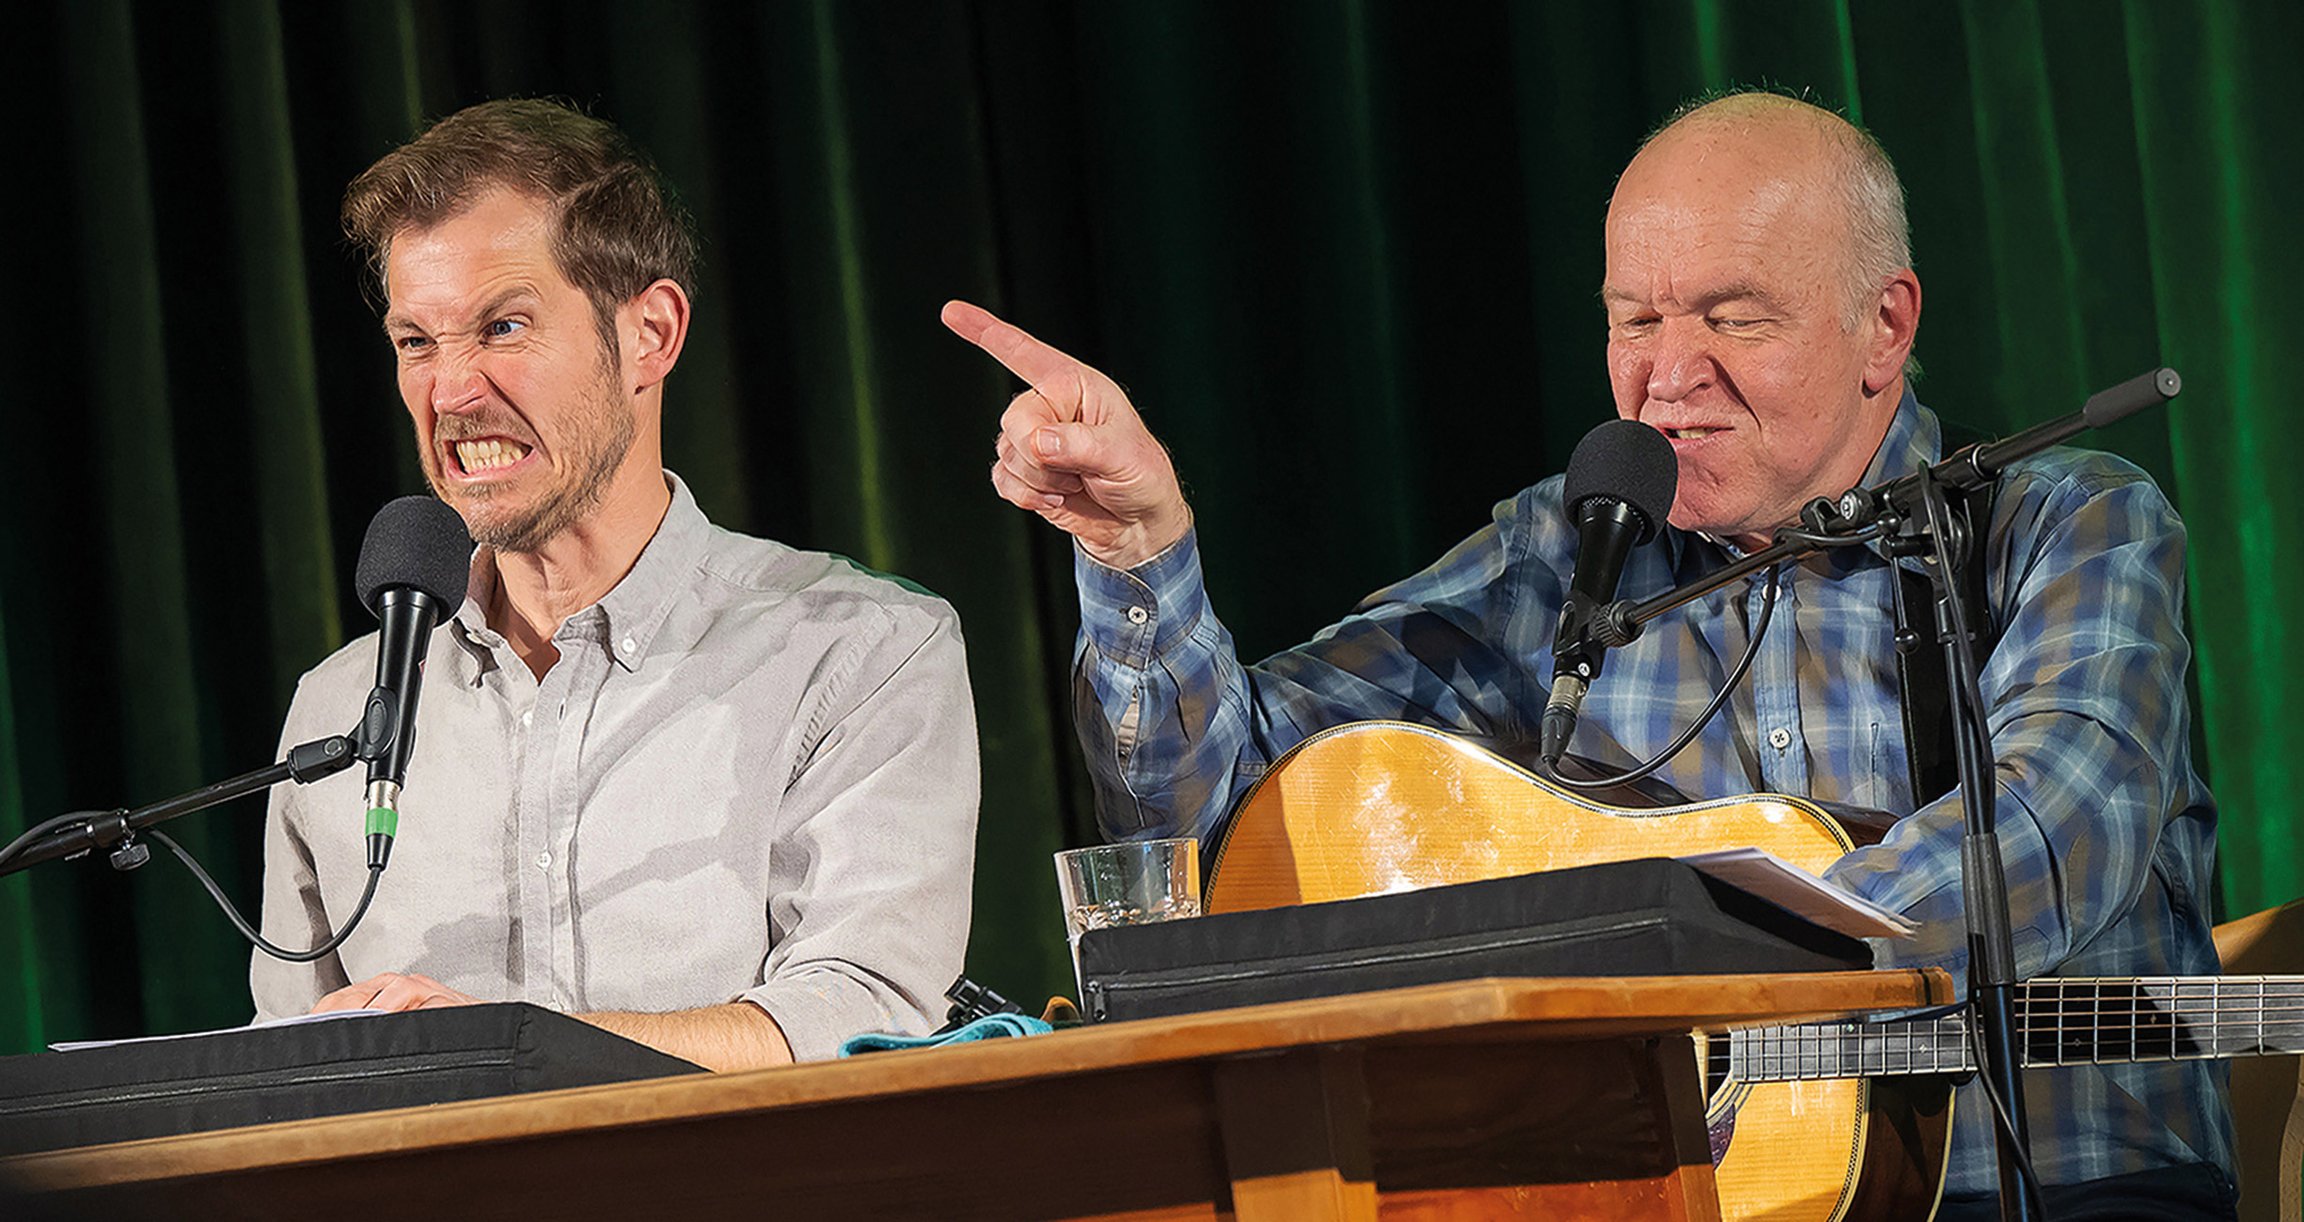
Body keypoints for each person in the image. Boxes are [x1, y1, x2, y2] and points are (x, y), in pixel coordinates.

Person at [946, 92, 2232, 1216]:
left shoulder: (2068, 523)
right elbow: (1222, 815)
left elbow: (2062, 834)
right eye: (1636, 319)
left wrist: (1668, 959)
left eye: (1733, 316)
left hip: (2068, 1191)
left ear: (1884, 327)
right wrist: (1139, 558)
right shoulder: (1567, 557)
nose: (1668, 375)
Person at [252, 99, 980, 1071]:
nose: (452, 390)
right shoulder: (336, 715)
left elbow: (856, 1016)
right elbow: (284, 1080)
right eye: (416, 341)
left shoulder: (860, 653)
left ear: (651, 334)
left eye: (502, 325)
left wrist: (507, 1050)